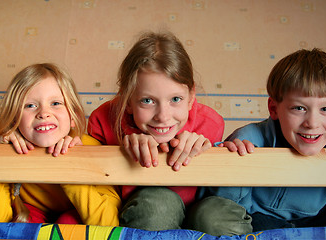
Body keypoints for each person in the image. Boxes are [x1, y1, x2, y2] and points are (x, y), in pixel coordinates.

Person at [87, 31, 252, 235]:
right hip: (143, 212)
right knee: (157, 204)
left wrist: (219, 149)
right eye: (147, 101)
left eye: (175, 99)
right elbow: (91, 186)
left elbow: (216, 186)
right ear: (127, 100)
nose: (163, 117)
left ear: (191, 96)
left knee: (214, 215)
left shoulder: (210, 124)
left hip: (198, 211)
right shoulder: (103, 121)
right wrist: (122, 149)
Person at [197, 48, 326, 232]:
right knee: (210, 214)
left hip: (312, 220)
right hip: (255, 218)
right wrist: (233, 163)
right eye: (299, 108)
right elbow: (219, 200)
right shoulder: (249, 140)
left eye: (325, 109)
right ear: (274, 108)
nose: (312, 123)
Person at [0, 63, 120, 226]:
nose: (43, 113)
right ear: (15, 120)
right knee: (23, 223)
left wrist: (69, 169)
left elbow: (109, 226)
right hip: (31, 216)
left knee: (67, 221)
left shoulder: (93, 149)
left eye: (56, 103)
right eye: (30, 105)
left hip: (77, 217)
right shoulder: (13, 151)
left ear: (73, 116)